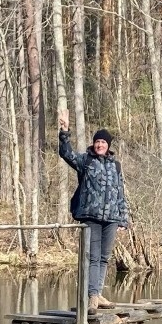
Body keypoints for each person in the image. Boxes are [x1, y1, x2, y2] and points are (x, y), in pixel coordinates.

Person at [58, 109, 129, 312]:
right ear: (94, 143)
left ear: (108, 146)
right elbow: (66, 153)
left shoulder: (116, 166)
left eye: (103, 143)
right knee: (92, 256)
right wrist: (64, 131)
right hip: (91, 216)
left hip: (112, 219)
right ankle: (91, 296)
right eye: (97, 142)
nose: (99, 145)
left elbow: (120, 193)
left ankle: (98, 293)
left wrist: (123, 218)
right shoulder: (85, 161)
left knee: (105, 257)